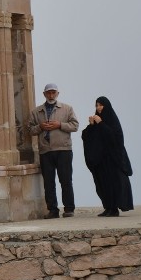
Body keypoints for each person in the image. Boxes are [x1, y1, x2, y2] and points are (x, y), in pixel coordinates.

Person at [27, 83, 79, 219]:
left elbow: (75, 126)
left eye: (53, 93)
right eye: (48, 93)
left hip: (63, 150)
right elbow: (30, 130)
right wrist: (40, 127)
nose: (51, 95)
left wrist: (59, 125)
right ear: (44, 94)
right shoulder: (36, 112)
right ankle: (53, 210)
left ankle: (69, 209)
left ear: (57, 94)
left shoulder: (67, 109)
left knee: (65, 180)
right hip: (46, 151)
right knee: (49, 182)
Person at [81, 96, 134, 217]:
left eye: (100, 105)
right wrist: (91, 126)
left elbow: (115, 138)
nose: (98, 108)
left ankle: (114, 208)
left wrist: (101, 123)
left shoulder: (112, 121)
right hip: (101, 160)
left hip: (112, 159)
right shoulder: (97, 121)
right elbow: (86, 137)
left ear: (106, 106)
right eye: (96, 105)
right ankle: (108, 207)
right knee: (103, 183)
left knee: (114, 183)